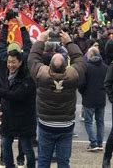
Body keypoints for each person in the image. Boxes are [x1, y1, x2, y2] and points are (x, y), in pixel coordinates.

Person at [28, 30, 86, 168]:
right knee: (64, 161)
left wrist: (40, 41)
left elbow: (32, 59)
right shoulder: (73, 75)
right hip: (66, 125)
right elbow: (79, 59)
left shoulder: (41, 75)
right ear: (66, 66)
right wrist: (69, 42)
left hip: (46, 124)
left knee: (43, 160)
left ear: (49, 66)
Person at [0, 49, 36, 168]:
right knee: (5, 145)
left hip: (24, 119)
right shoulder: (5, 75)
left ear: (20, 62)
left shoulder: (27, 78)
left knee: (27, 148)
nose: (10, 65)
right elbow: (6, 98)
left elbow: (17, 96)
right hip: (8, 117)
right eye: (9, 62)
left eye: (13, 62)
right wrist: (1, 110)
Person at [79, 47, 107, 152]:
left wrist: (83, 93)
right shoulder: (105, 67)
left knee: (89, 121)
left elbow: (81, 84)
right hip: (101, 97)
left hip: (88, 98)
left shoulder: (86, 67)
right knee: (100, 121)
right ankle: (99, 142)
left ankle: (93, 142)